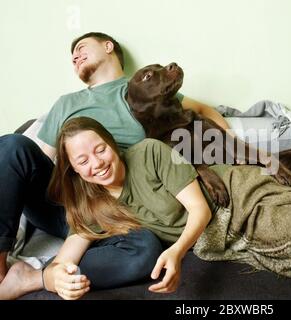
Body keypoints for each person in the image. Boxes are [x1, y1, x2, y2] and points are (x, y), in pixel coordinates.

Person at [0, 32, 229, 287]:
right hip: (68, 202)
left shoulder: (144, 88)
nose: (75, 56)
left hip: (118, 210)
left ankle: (41, 277)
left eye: (81, 47)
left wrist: (230, 139)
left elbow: (202, 111)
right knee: (13, 145)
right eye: (72, 56)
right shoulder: (66, 103)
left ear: (108, 46)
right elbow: (31, 165)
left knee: (145, 248)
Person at [0, 117, 212, 299]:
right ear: (73, 169)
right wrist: (54, 277)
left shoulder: (150, 152)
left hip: (127, 235)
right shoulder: (86, 200)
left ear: (111, 142)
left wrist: (178, 250)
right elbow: (67, 256)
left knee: (146, 248)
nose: (97, 163)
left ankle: (29, 277)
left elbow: (199, 208)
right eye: (83, 161)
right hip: (81, 217)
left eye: (100, 150)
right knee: (13, 145)